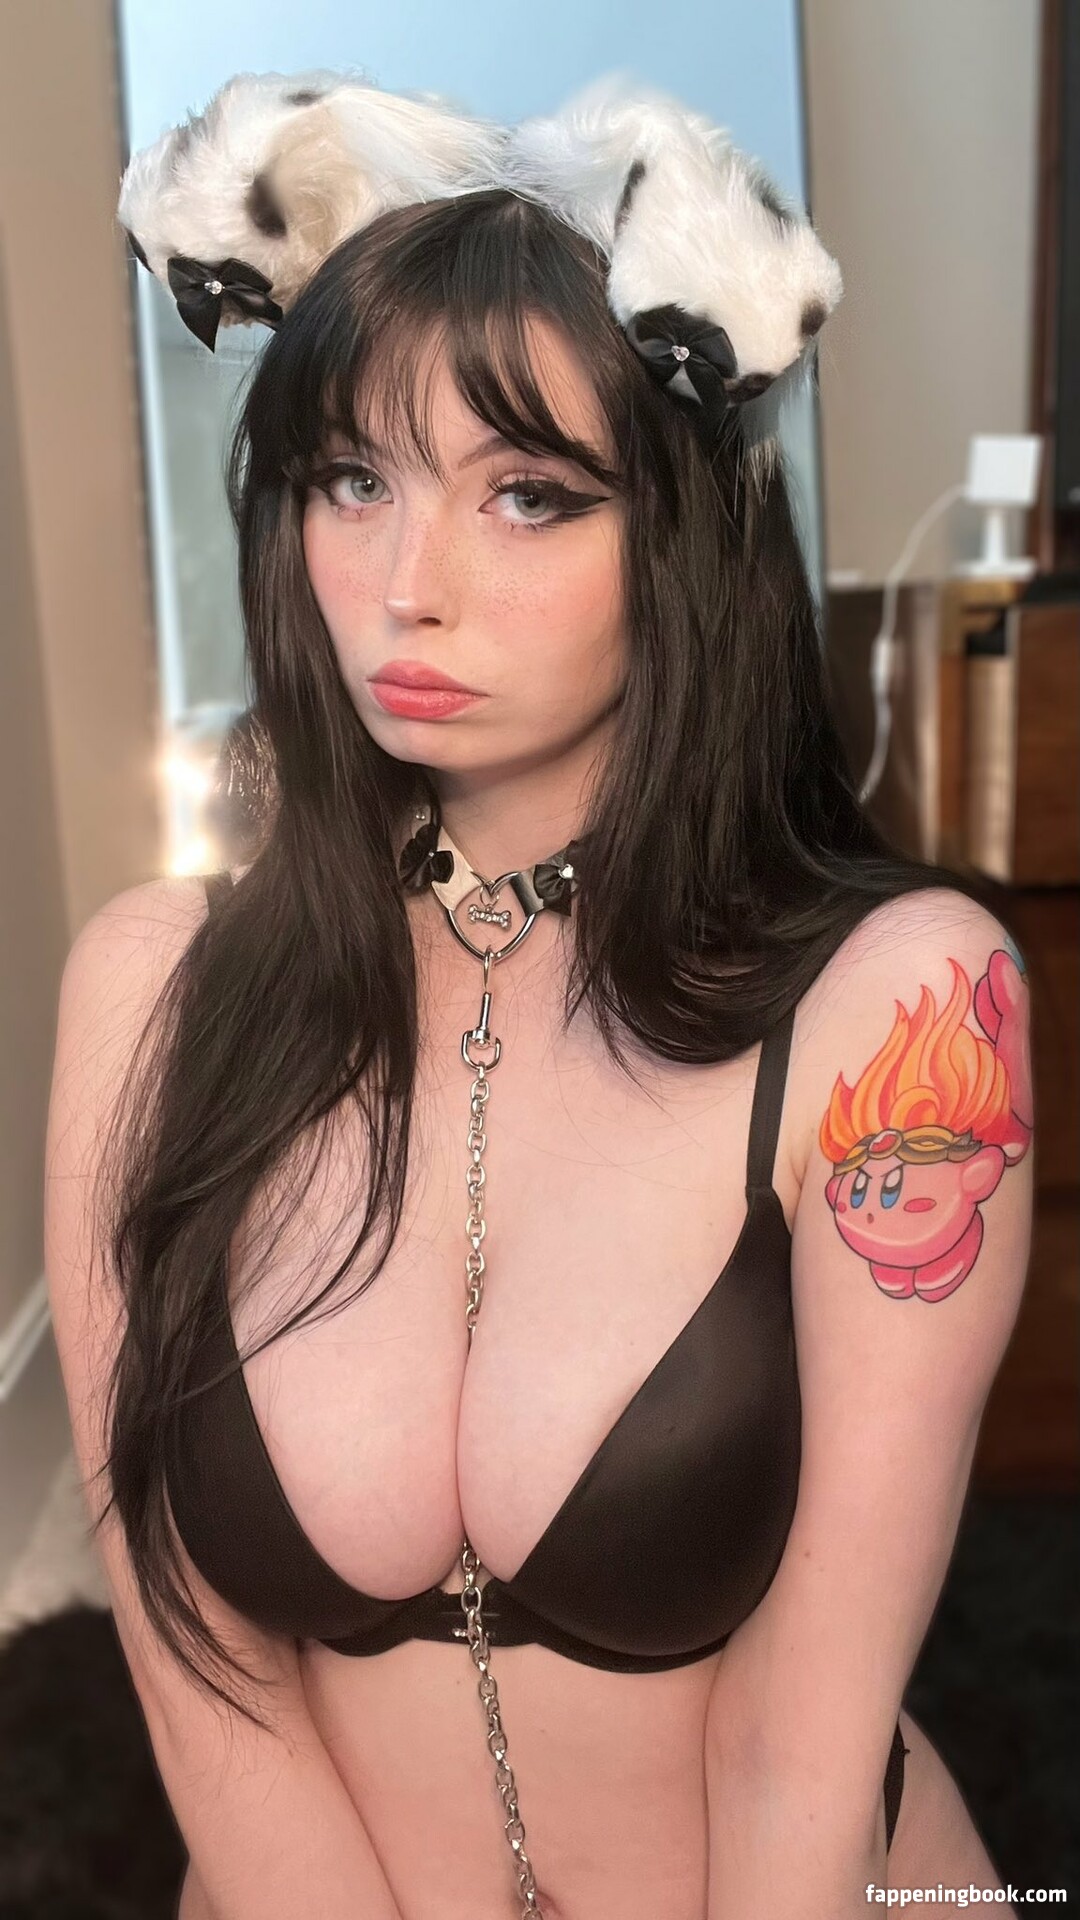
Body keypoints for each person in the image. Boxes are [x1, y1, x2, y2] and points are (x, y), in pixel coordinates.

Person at [44, 67, 1033, 1920]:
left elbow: (804, 1753)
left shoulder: (898, 1006)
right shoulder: (156, 990)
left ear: (681, 533)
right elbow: (200, 1680)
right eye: (354, 480)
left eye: (526, 496)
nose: (405, 587)